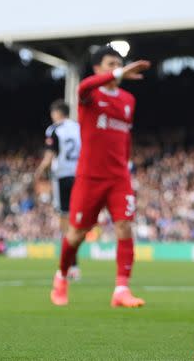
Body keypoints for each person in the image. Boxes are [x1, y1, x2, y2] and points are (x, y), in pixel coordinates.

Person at [49, 46, 150, 308]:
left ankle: (121, 290)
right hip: (90, 177)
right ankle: (61, 276)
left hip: (119, 177)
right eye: (110, 63)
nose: (116, 67)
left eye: (118, 63)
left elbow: (125, 135)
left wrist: (127, 164)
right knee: (76, 234)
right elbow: (82, 87)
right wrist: (118, 72)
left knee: (124, 226)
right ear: (97, 68)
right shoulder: (89, 95)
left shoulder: (128, 100)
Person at [35, 100, 82, 279]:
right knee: (75, 223)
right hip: (79, 177)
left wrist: (38, 173)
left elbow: (48, 158)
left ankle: (70, 266)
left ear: (56, 113)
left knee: (65, 223)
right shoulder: (79, 128)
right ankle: (73, 266)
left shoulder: (54, 129)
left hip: (62, 177)